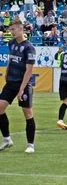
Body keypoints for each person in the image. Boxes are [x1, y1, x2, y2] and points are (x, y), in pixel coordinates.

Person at [0, 20, 36, 153]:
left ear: (21, 29)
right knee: (0, 107)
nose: (11, 32)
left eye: (13, 29)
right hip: (11, 82)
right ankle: (7, 139)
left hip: (24, 84)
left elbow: (29, 71)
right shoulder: (12, 43)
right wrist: (7, 70)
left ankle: (30, 145)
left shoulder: (29, 48)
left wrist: (21, 89)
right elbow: (11, 58)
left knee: (27, 113)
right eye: (10, 30)